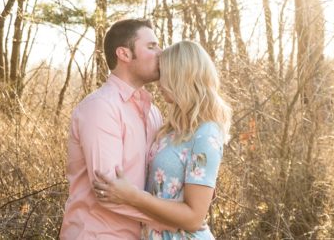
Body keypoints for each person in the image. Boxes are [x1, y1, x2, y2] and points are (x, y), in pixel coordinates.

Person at [93, 40, 231, 239]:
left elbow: (194, 217)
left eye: (164, 73)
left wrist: (132, 197)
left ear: (180, 76)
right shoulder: (171, 128)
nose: (158, 82)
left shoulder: (207, 132)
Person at [60, 19, 167, 239]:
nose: (160, 52)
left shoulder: (154, 112)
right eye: (151, 46)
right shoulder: (100, 107)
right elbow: (108, 192)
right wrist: (175, 219)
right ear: (124, 54)